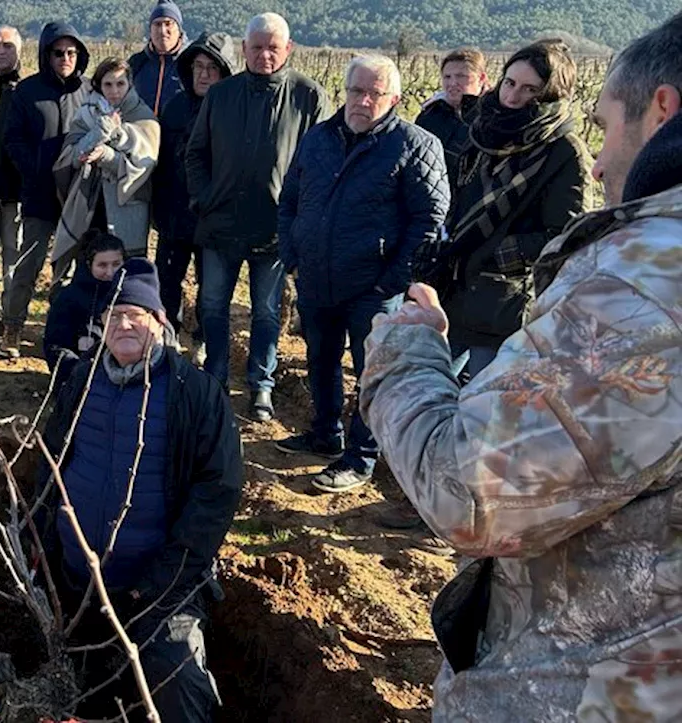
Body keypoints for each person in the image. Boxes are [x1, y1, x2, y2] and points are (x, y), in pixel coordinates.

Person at [359, 13, 682, 719]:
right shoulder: (475, 134)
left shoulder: (645, 281)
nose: (599, 162)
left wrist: (407, 347)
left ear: (663, 109)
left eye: (605, 129)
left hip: (589, 690)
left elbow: (471, 490)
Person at [36, 258, 241, 722]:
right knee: (71, 688)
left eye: (136, 315)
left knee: (177, 676)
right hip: (77, 583)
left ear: (160, 322)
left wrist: (165, 580)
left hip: (161, 589)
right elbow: (50, 461)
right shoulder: (81, 380)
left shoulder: (196, 393)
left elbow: (218, 491)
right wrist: (42, 538)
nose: (124, 324)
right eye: (114, 316)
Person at [275, 55, 448, 494]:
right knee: (320, 359)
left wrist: (392, 280)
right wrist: (292, 254)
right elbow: (291, 199)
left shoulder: (416, 144)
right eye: (357, 91)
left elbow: (428, 220)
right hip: (316, 277)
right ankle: (323, 433)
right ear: (345, 91)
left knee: (371, 373)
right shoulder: (317, 138)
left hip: (373, 285)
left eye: (375, 93)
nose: (363, 101)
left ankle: (360, 458)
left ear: (394, 99)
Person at [185, 13, 330, 421]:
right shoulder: (221, 95)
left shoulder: (309, 96)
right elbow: (196, 153)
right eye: (256, 47)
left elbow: (321, 166)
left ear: (288, 49)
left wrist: (301, 216)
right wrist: (204, 198)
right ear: (244, 49)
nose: (265, 54)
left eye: (273, 47)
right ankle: (214, 379)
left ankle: (260, 386)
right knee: (213, 305)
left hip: (275, 228)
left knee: (266, 312)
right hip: (220, 224)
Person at [439, 40, 594, 379]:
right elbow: (462, 200)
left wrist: (492, 252)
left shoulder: (564, 151)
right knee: (430, 391)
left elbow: (568, 238)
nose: (511, 97)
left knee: (483, 410)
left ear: (550, 96)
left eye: (529, 90)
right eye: (509, 83)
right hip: (455, 289)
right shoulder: (484, 130)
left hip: (506, 305)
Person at [0, 21, 90, 359]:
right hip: (39, 195)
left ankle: (63, 330)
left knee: (69, 270)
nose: (65, 58)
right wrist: (36, 168)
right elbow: (13, 138)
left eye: (72, 52)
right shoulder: (27, 91)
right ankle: (12, 325)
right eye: (58, 52)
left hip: (77, 196)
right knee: (28, 264)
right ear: (45, 55)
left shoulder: (88, 92)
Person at [152, 32, 239, 349]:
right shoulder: (175, 108)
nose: (203, 74)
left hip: (212, 219)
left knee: (211, 287)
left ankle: (203, 344)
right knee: (167, 284)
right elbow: (160, 165)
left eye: (211, 68)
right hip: (175, 216)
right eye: (198, 66)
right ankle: (167, 339)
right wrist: (159, 212)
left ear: (224, 72)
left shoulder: (234, 112)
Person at [53, 58, 160, 269]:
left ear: (129, 85)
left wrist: (107, 156)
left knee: (125, 273)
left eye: (120, 84)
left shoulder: (143, 117)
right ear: (99, 86)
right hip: (90, 205)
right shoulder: (86, 113)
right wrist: (101, 131)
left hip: (127, 209)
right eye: (108, 84)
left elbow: (143, 165)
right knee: (89, 267)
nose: (114, 91)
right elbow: (72, 155)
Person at [42, 230, 125, 385]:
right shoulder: (68, 298)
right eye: (102, 265)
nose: (110, 272)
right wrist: (78, 373)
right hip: (79, 377)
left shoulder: (132, 296)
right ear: (89, 264)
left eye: (116, 264)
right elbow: (56, 346)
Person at [0, 25, 22, 319]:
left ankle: (10, 318)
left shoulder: (27, 90)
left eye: (7, 46)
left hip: (15, 190)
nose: (0, 51)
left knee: (14, 257)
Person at [415, 48, 488, 179]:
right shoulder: (430, 114)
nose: (452, 83)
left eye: (461, 76)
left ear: (481, 78)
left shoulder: (492, 117)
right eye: (447, 77)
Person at [127, 0, 187, 116]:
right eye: (157, 24)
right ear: (150, 29)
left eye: (168, 23)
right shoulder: (136, 63)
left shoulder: (190, 63)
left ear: (179, 30)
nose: (162, 31)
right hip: (140, 131)